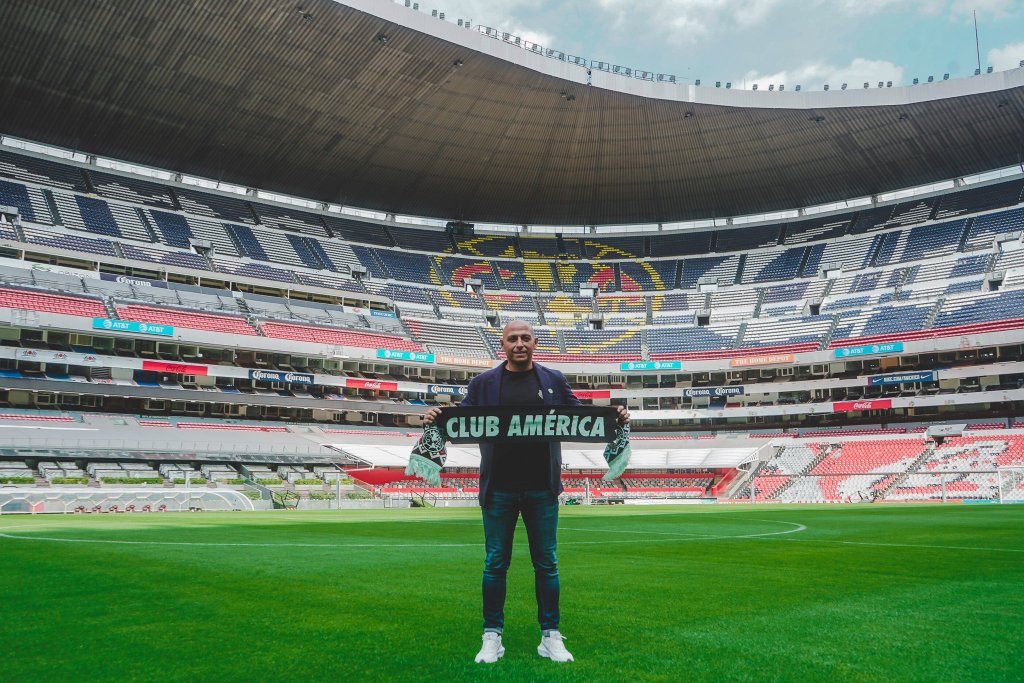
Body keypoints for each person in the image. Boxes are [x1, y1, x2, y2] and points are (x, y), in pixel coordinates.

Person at [424, 320, 629, 664]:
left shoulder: (553, 379)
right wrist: (436, 416)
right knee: (495, 565)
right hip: (499, 489)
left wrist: (614, 416)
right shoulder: (483, 383)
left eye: (525, 338)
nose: (519, 343)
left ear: (535, 342)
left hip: (542, 488)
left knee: (546, 564)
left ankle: (550, 635)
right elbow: (459, 420)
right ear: (501, 345)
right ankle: (492, 635)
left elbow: (579, 417)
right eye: (512, 338)